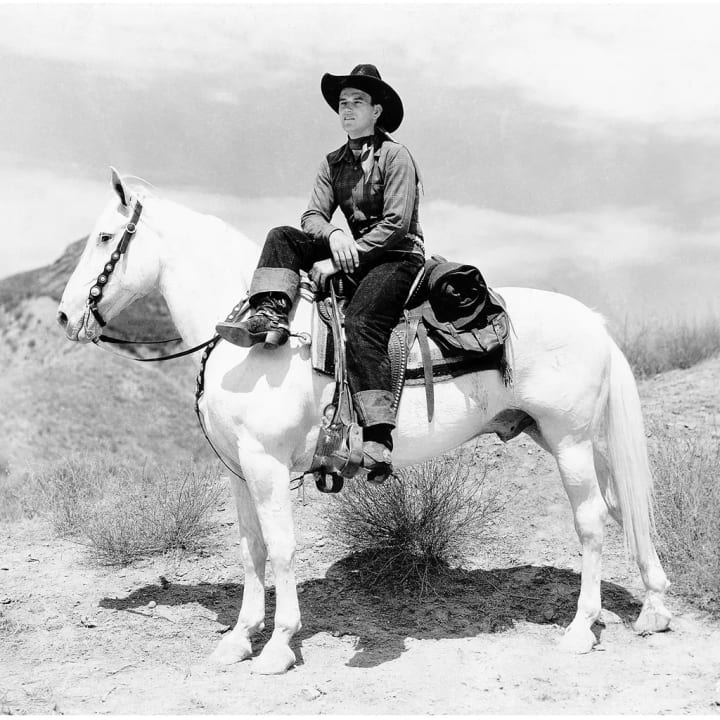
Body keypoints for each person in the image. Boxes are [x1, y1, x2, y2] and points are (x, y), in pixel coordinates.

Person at [216, 64, 425, 477]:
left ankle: (378, 436)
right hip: (352, 251)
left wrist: (344, 254)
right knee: (283, 236)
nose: (347, 109)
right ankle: (270, 315)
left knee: (362, 321)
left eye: (357, 102)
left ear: (377, 111)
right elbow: (312, 215)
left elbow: (397, 224)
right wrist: (334, 234)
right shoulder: (333, 163)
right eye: (343, 103)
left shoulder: (396, 156)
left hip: (397, 257)